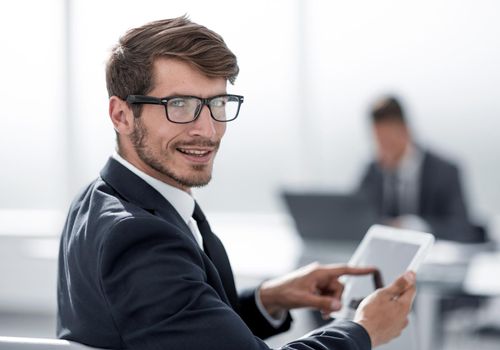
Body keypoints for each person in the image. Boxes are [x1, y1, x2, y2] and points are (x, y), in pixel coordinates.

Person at [57, 17, 416, 350]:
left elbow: (180, 327)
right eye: (179, 104)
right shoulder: (138, 237)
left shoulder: (97, 198)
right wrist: (364, 329)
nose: (207, 129)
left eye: (217, 102)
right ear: (122, 115)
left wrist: (269, 298)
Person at [358, 95, 479, 242]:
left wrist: (417, 227)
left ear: (406, 130)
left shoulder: (445, 171)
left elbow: (461, 227)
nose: (383, 148)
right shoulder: (374, 171)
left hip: (433, 257)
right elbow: (357, 218)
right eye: (379, 140)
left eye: (388, 139)